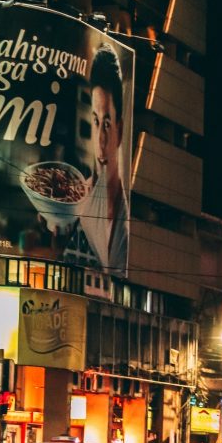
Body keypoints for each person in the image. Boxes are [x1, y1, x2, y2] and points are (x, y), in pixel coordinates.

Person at [74, 46, 129, 274]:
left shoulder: (124, 229)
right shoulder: (77, 199)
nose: (100, 140)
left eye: (107, 124)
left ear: (120, 129)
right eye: (96, 122)